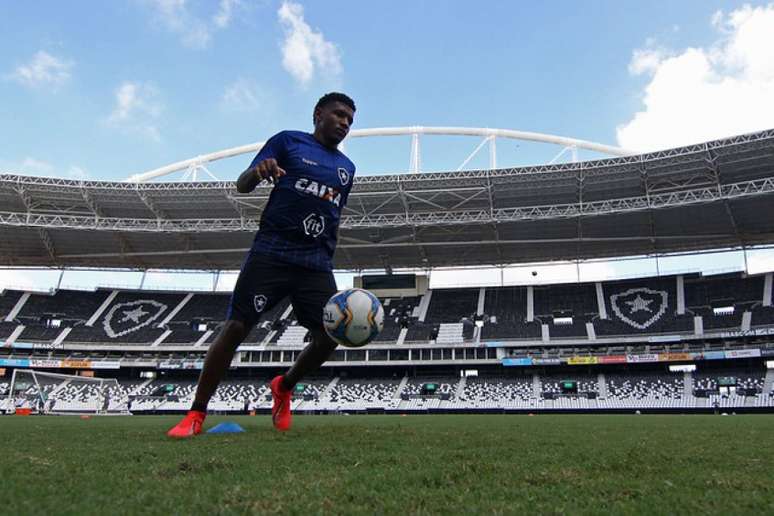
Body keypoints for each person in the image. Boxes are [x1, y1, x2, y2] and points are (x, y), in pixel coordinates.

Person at [167, 92, 356, 437]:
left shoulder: (347, 169)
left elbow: (333, 215)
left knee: (329, 338)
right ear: (318, 114)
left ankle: (284, 386)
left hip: (315, 262)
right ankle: (195, 413)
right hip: (272, 252)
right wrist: (257, 171)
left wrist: (328, 253)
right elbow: (242, 185)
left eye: (350, 120)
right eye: (339, 114)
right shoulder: (287, 141)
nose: (345, 123)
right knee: (236, 327)